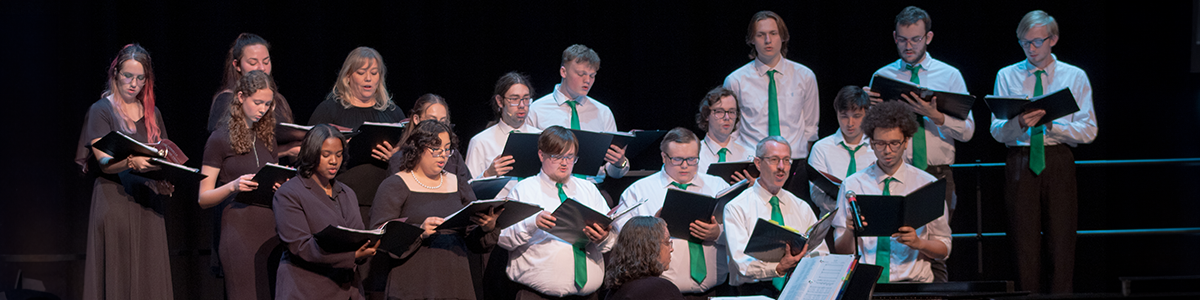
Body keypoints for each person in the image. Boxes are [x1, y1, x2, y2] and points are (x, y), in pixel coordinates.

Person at [989, 10, 1096, 294]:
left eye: (1037, 42)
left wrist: (1052, 126)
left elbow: (1089, 130)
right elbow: (997, 132)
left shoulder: (1074, 76)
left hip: (1058, 158)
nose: (1031, 49)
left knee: (1061, 241)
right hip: (1020, 161)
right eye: (1025, 43)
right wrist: (1020, 122)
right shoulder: (1007, 75)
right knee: (1023, 243)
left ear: (1053, 39)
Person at [866, 7, 971, 282]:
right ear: (894, 37)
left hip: (937, 172)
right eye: (902, 39)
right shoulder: (883, 76)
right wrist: (872, 109)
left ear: (929, 37)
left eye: (915, 39)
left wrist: (934, 115)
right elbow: (873, 130)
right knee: (894, 241)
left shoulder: (949, 75)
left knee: (934, 245)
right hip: (896, 170)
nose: (908, 46)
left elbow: (968, 131)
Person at [74, 44, 175, 300]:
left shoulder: (153, 114)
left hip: (147, 201)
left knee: (149, 277)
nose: (134, 83)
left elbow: (162, 156)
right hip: (115, 198)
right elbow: (105, 162)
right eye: (128, 76)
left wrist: (163, 180)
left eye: (140, 78)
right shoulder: (101, 110)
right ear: (115, 73)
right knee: (119, 276)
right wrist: (132, 162)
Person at [367, 120, 502, 299]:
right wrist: (419, 231)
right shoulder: (396, 184)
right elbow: (380, 236)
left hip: (455, 279)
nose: (443, 156)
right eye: (436, 149)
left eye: (447, 149)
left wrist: (487, 227)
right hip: (414, 281)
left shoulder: (458, 183)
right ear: (418, 148)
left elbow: (473, 239)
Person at [831, 101, 951, 284]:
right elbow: (841, 251)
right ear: (871, 143)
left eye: (894, 143)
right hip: (867, 284)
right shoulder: (853, 184)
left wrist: (920, 243)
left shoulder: (926, 184)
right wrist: (849, 231)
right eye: (880, 143)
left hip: (913, 285)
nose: (887, 151)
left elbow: (944, 249)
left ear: (906, 142)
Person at [498, 126, 616, 299]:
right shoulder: (524, 190)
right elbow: (503, 239)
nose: (564, 163)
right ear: (541, 155)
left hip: (588, 295)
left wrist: (603, 238)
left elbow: (610, 240)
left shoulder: (588, 189)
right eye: (557, 156)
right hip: (537, 296)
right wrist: (532, 223)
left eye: (570, 157)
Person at [612, 127, 729, 298]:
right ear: (663, 157)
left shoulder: (718, 186)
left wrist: (718, 233)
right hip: (663, 294)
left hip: (715, 291)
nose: (684, 166)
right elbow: (622, 240)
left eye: (691, 159)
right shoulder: (639, 191)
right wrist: (650, 231)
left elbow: (740, 234)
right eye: (677, 159)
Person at [196, 70, 282, 300]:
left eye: (267, 104)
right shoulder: (219, 139)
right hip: (239, 231)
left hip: (271, 231)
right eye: (257, 102)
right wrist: (232, 186)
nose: (262, 109)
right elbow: (203, 198)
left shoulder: (268, 139)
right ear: (241, 97)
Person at [273, 124, 378, 300]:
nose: (334, 161)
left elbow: (356, 235)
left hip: (347, 289)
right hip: (307, 290)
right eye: (326, 155)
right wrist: (352, 256)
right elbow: (301, 247)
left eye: (338, 155)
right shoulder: (289, 193)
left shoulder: (346, 193)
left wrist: (367, 247)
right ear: (312, 154)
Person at [723, 11, 819, 195]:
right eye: (761, 35)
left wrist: (790, 161)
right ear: (752, 39)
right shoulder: (736, 80)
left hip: (793, 166)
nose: (768, 40)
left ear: (783, 37)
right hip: (753, 166)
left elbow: (810, 128)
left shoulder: (805, 76)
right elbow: (732, 130)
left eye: (773, 33)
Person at [309, 47, 407, 223]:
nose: (368, 78)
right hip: (343, 196)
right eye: (361, 72)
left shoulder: (393, 112)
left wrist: (396, 156)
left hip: (387, 198)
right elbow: (309, 153)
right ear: (348, 77)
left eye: (374, 73)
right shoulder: (329, 110)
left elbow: (409, 155)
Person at [723, 136, 820, 297]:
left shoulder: (801, 206)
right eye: (774, 160)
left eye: (786, 160)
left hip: (798, 289)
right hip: (754, 292)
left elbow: (820, 252)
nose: (781, 167)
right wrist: (778, 268)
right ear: (758, 163)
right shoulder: (737, 207)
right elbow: (741, 263)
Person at [525, 44, 629, 184]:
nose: (587, 80)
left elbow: (611, 171)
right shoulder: (537, 109)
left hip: (591, 189)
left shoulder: (603, 112)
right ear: (563, 72)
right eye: (581, 74)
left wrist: (619, 163)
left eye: (592, 76)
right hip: (548, 188)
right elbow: (529, 159)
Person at [208, 33, 294, 136]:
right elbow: (226, 146)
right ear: (237, 65)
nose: (262, 68)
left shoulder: (279, 101)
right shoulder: (226, 100)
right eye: (253, 63)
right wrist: (286, 150)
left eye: (266, 62)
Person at [807, 86, 876, 216]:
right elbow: (817, 194)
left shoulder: (876, 148)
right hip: (833, 222)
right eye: (844, 116)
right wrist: (846, 210)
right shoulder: (821, 148)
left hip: (871, 219)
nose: (850, 123)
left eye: (856, 116)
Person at [466, 71, 541, 180]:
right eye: (514, 99)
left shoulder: (540, 137)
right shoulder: (481, 142)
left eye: (526, 99)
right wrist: (488, 174)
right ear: (500, 101)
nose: (522, 105)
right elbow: (469, 189)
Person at [387, 93, 471, 181]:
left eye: (442, 122)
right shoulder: (400, 159)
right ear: (416, 119)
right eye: (432, 120)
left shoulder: (453, 156)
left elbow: (468, 189)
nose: (438, 127)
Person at [604, 216, 685, 300]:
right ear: (651, 247)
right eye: (667, 242)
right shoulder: (660, 290)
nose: (671, 249)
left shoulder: (614, 291)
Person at [694, 87, 754, 180]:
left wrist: (754, 187)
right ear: (707, 115)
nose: (727, 117)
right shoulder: (694, 156)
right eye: (719, 112)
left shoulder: (749, 156)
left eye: (731, 112)